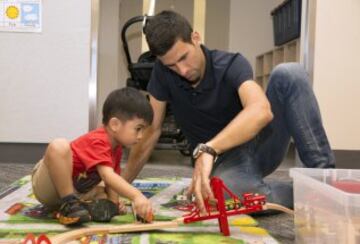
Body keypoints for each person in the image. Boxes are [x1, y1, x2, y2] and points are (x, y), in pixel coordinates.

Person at [122, 10, 335, 214]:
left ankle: (324, 181)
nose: (183, 70)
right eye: (172, 66)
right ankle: (307, 194)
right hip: (225, 162)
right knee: (224, 196)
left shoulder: (230, 64)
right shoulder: (161, 73)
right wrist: (120, 186)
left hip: (260, 143)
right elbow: (151, 130)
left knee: (290, 73)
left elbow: (261, 110)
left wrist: (209, 148)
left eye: (184, 57)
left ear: (195, 38)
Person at [31, 87, 154, 225]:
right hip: (49, 184)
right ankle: (70, 205)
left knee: (102, 193)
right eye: (138, 129)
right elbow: (108, 176)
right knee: (59, 145)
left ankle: (76, 208)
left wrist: (114, 203)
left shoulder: (117, 148)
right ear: (115, 124)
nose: (141, 136)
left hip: (76, 190)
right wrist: (136, 196)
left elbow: (112, 180)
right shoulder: (98, 140)